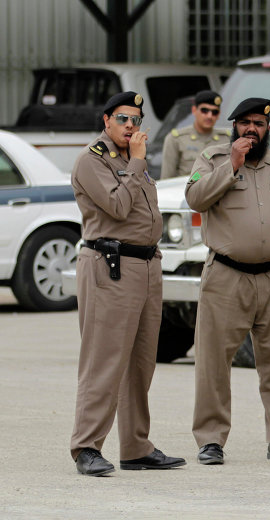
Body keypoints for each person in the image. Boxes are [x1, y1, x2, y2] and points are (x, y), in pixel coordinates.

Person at [186, 98, 270, 465]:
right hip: (227, 275)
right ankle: (211, 439)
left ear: (267, 128)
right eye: (245, 123)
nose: (251, 129)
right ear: (234, 126)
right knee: (214, 361)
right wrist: (232, 164)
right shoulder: (212, 160)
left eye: (258, 123)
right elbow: (195, 199)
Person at [69, 91, 186, 476]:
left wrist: (134, 163)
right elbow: (118, 207)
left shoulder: (130, 161)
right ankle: (86, 445)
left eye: (136, 119)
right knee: (104, 360)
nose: (131, 126)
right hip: (110, 265)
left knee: (140, 362)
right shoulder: (93, 161)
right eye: (122, 119)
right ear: (106, 121)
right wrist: (137, 160)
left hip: (146, 266)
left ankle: (135, 446)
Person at [161, 90, 229, 178]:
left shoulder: (227, 139)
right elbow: (167, 179)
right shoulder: (176, 139)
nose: (209, 116)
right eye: (204, 110)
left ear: (219, 114)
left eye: (214, 112)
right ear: (194, 110)